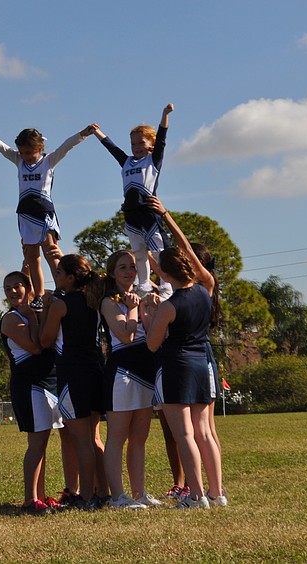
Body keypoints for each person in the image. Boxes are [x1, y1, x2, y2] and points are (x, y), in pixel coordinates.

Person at [0, 124, 97, 308]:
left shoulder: (49, 161)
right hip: (25, 215)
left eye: (29, 153)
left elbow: (67, 146)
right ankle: (39, 295)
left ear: (40, 148)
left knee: (51, 252)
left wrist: (83, 134)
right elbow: (0, 147)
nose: (26, 156)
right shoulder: (19, 161)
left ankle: (62, 288)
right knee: (31, 257)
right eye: (22, 152)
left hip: (44, 214)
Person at [147, 195, 225, 501]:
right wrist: (167, 216)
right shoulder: (206, 287)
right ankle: (217, 493)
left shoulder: (169, 306)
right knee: (205, 432)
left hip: (177, 367)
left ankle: (196, 496)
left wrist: (150, 314)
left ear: (164, 277)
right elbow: (189, 252)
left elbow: (153, 345)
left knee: (185, 435)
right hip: (202, 364)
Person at [40, 254, 108, 509]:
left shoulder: (61, 304)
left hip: (73, 373)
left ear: (70, 278)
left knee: (81, 440)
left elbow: (45, 340)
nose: (55, 277)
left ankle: (87, 497)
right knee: (94, 438)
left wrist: (46, 307)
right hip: (96, 371)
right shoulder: (95, 300)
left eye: (58, 273)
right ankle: (104, 491)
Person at [99, 250, 163, 509]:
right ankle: (117, 496)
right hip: (122, 373)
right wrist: (134, 308)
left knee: (140, 437)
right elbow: (125, 335)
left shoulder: (140, 296)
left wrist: (150, 307)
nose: (128, 271)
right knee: (117, 435)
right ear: (112, 273)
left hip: (144, 370)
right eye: (122, 267)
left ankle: (139, 493)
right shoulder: (108, 302)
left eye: (132, 267)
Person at [92, 104, 174, 298]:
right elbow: (112, 149)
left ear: (151, 145)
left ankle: (166, 284)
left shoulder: (153, 161)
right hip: (130, 214)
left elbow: (162, 138)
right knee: (139, 253)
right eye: (133, 144)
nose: (136, 147)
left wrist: (164, 115)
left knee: (158, 252)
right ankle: (144, 284)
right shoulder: (126, 161)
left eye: (141, 143)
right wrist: (97, 132)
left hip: (148, 212)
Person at [0, 271, 63, 514]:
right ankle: (29, 499)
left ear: (28, 287)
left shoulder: (35, 310)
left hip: (48, 382)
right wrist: (34, 319)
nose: (13, 292)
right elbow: (36, 347)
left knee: (42, 444)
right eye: (8, 289)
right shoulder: (10, 319)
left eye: (17, 286)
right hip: (29, 384)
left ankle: (42, 495)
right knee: (35, 444)